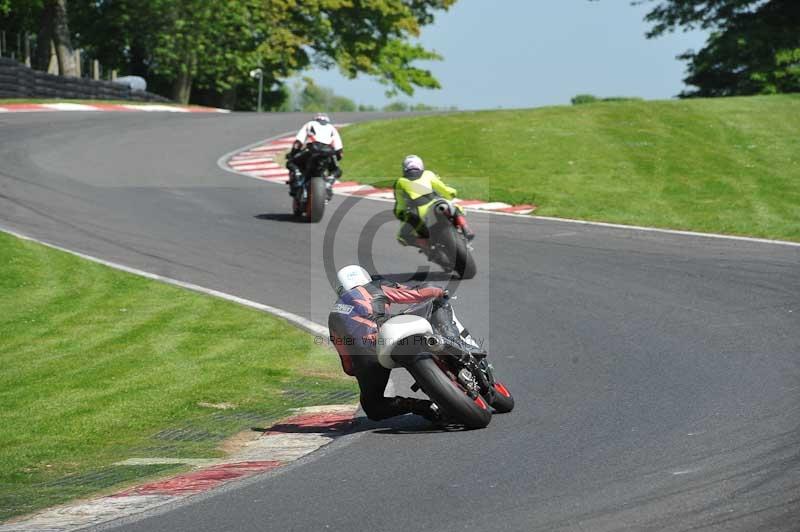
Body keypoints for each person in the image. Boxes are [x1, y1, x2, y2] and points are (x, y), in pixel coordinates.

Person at [328, 265, 446, 422]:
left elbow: (348, 364)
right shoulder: (374, 286)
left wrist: (360, 371)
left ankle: (422, 406)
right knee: (436, 309)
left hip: (367, 356)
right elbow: (416, 293)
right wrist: (440, 293)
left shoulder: (333, 315)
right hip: (392, 332)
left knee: (373, 407)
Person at [393, 155, 475, 249]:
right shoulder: (428, 174)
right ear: (421, 165)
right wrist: (452, 193)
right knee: (454, 208)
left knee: (402, 237)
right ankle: (466, 229)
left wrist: (400, 213)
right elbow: (445, 190)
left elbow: (400, 204)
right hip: (436, 205)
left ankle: (426, 245)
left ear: (404, 168)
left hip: (418, 214)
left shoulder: (399, 182)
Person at [286, 113, 343, 198]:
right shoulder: (332, 128)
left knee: (291, 162)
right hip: (329, 153)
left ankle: (297, 179)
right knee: (337, 170)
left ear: (315, 119)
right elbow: (340, 151)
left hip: (311, 150)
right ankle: (329, 183)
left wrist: (292, 154)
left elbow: (298, 143)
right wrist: (336, 158)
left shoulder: (309, 124)